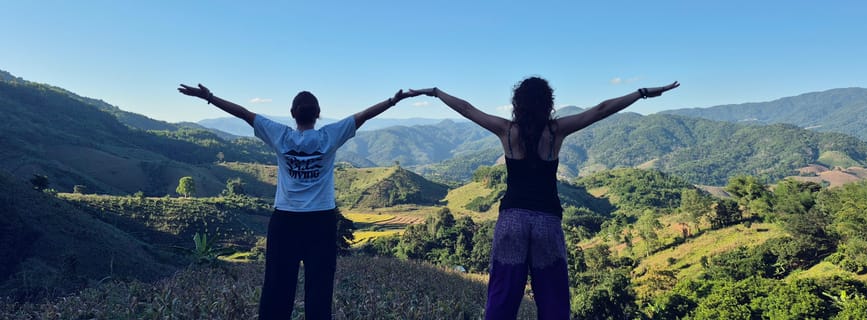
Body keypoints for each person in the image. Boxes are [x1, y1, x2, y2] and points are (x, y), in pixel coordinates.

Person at [413, 78, 679, 319]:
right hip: (547, 223)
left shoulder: (507, 130)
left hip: (511, 221)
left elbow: (467, 109)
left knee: (502, 295)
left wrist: (436, 92)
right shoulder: (555, 131)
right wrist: (641, 93)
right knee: (553, 299)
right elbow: (601, 110)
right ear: (548, 103)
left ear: (517, 103)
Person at [178, 84, 423, 319]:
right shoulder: (329, 135)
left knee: (277, 286)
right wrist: (393, 101)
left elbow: (243, 113)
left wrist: (208, 96)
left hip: (285, 221)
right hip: (321, 222)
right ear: (318, 114)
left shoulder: (280, 135)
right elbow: (364, 115)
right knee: (320, 288)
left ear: (292, 114)